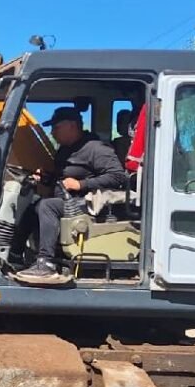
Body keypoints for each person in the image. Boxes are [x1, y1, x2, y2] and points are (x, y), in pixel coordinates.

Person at [8, 106, 127, 284]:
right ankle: (15, 257)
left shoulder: (96, 148)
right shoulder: (64, 151)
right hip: (67, 201)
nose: (52, 132)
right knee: (34, 204)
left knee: (47, 206)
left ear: (72, 126)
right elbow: (62, 180)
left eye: (56, 127)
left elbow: (118, 176)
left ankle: (46, 264)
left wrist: (81, 184)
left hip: (89, 204)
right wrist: (46, 178)